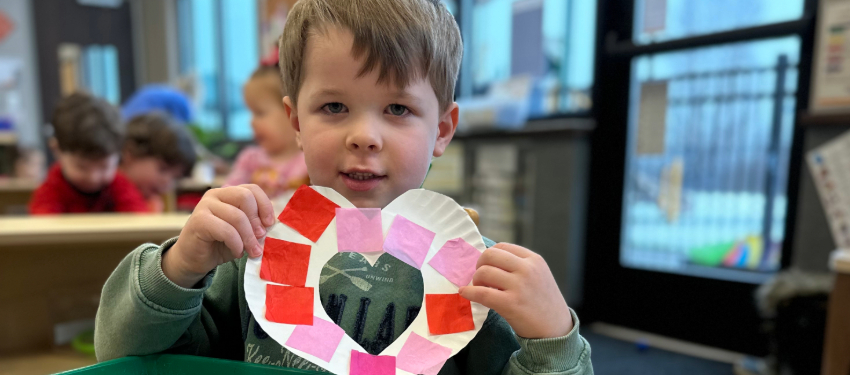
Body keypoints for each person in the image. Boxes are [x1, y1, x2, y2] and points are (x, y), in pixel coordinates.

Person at [94, 1, 592, 374]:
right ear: (296, 122)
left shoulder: (472, 275)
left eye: (397, 109)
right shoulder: (254, 250)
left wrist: (552, 337)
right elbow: (125, 354)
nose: (364, 136)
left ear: (441, 130)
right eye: (334, 108)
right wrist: (180, 267)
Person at [29, 92, 149, 214]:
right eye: (82, 167)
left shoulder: (120, 186)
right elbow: (43, 227)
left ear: (119, 154)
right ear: (57, 150)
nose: (93, 178)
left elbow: (139, 223)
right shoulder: (51, 190)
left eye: (104, 167)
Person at [223, 63, 308, 198]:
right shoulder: (249, 161)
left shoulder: (309, 163)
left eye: (259, 113)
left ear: (291, 113)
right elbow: (227, 196)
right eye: (251, 113)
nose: (251, 122)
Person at [120, 113, 198, 212]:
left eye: (175, 177)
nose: (167, 182)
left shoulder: (154, 200)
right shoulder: (107, 191)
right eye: (163, 169)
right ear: (130, 153)